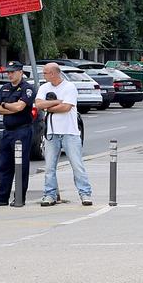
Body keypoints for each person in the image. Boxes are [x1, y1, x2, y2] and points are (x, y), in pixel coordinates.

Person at [35, 61, 91, 207]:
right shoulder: (44, 87)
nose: (44, 75)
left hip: (69, 132)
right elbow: (39, 104)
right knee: (49, 167)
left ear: (53, 73)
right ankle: (49, 195)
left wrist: (49, 106)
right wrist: (56, 103)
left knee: (77, 164)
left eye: (45, 73)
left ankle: (85, 194)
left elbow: (66, 107)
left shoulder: (69, 87)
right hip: (52, 132)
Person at [0, 62, 36, 206]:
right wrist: (9, 108)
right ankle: (1, 197)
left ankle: (20, 197)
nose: (10, 74)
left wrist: (4, 105)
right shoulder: (5, 88)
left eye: (13, 72)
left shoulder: (27, 88)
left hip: (22, 130)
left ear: (21, 72)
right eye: (8, 72)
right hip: (7, 131)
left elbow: (20, 107)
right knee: (4, 165)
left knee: (21, 166)